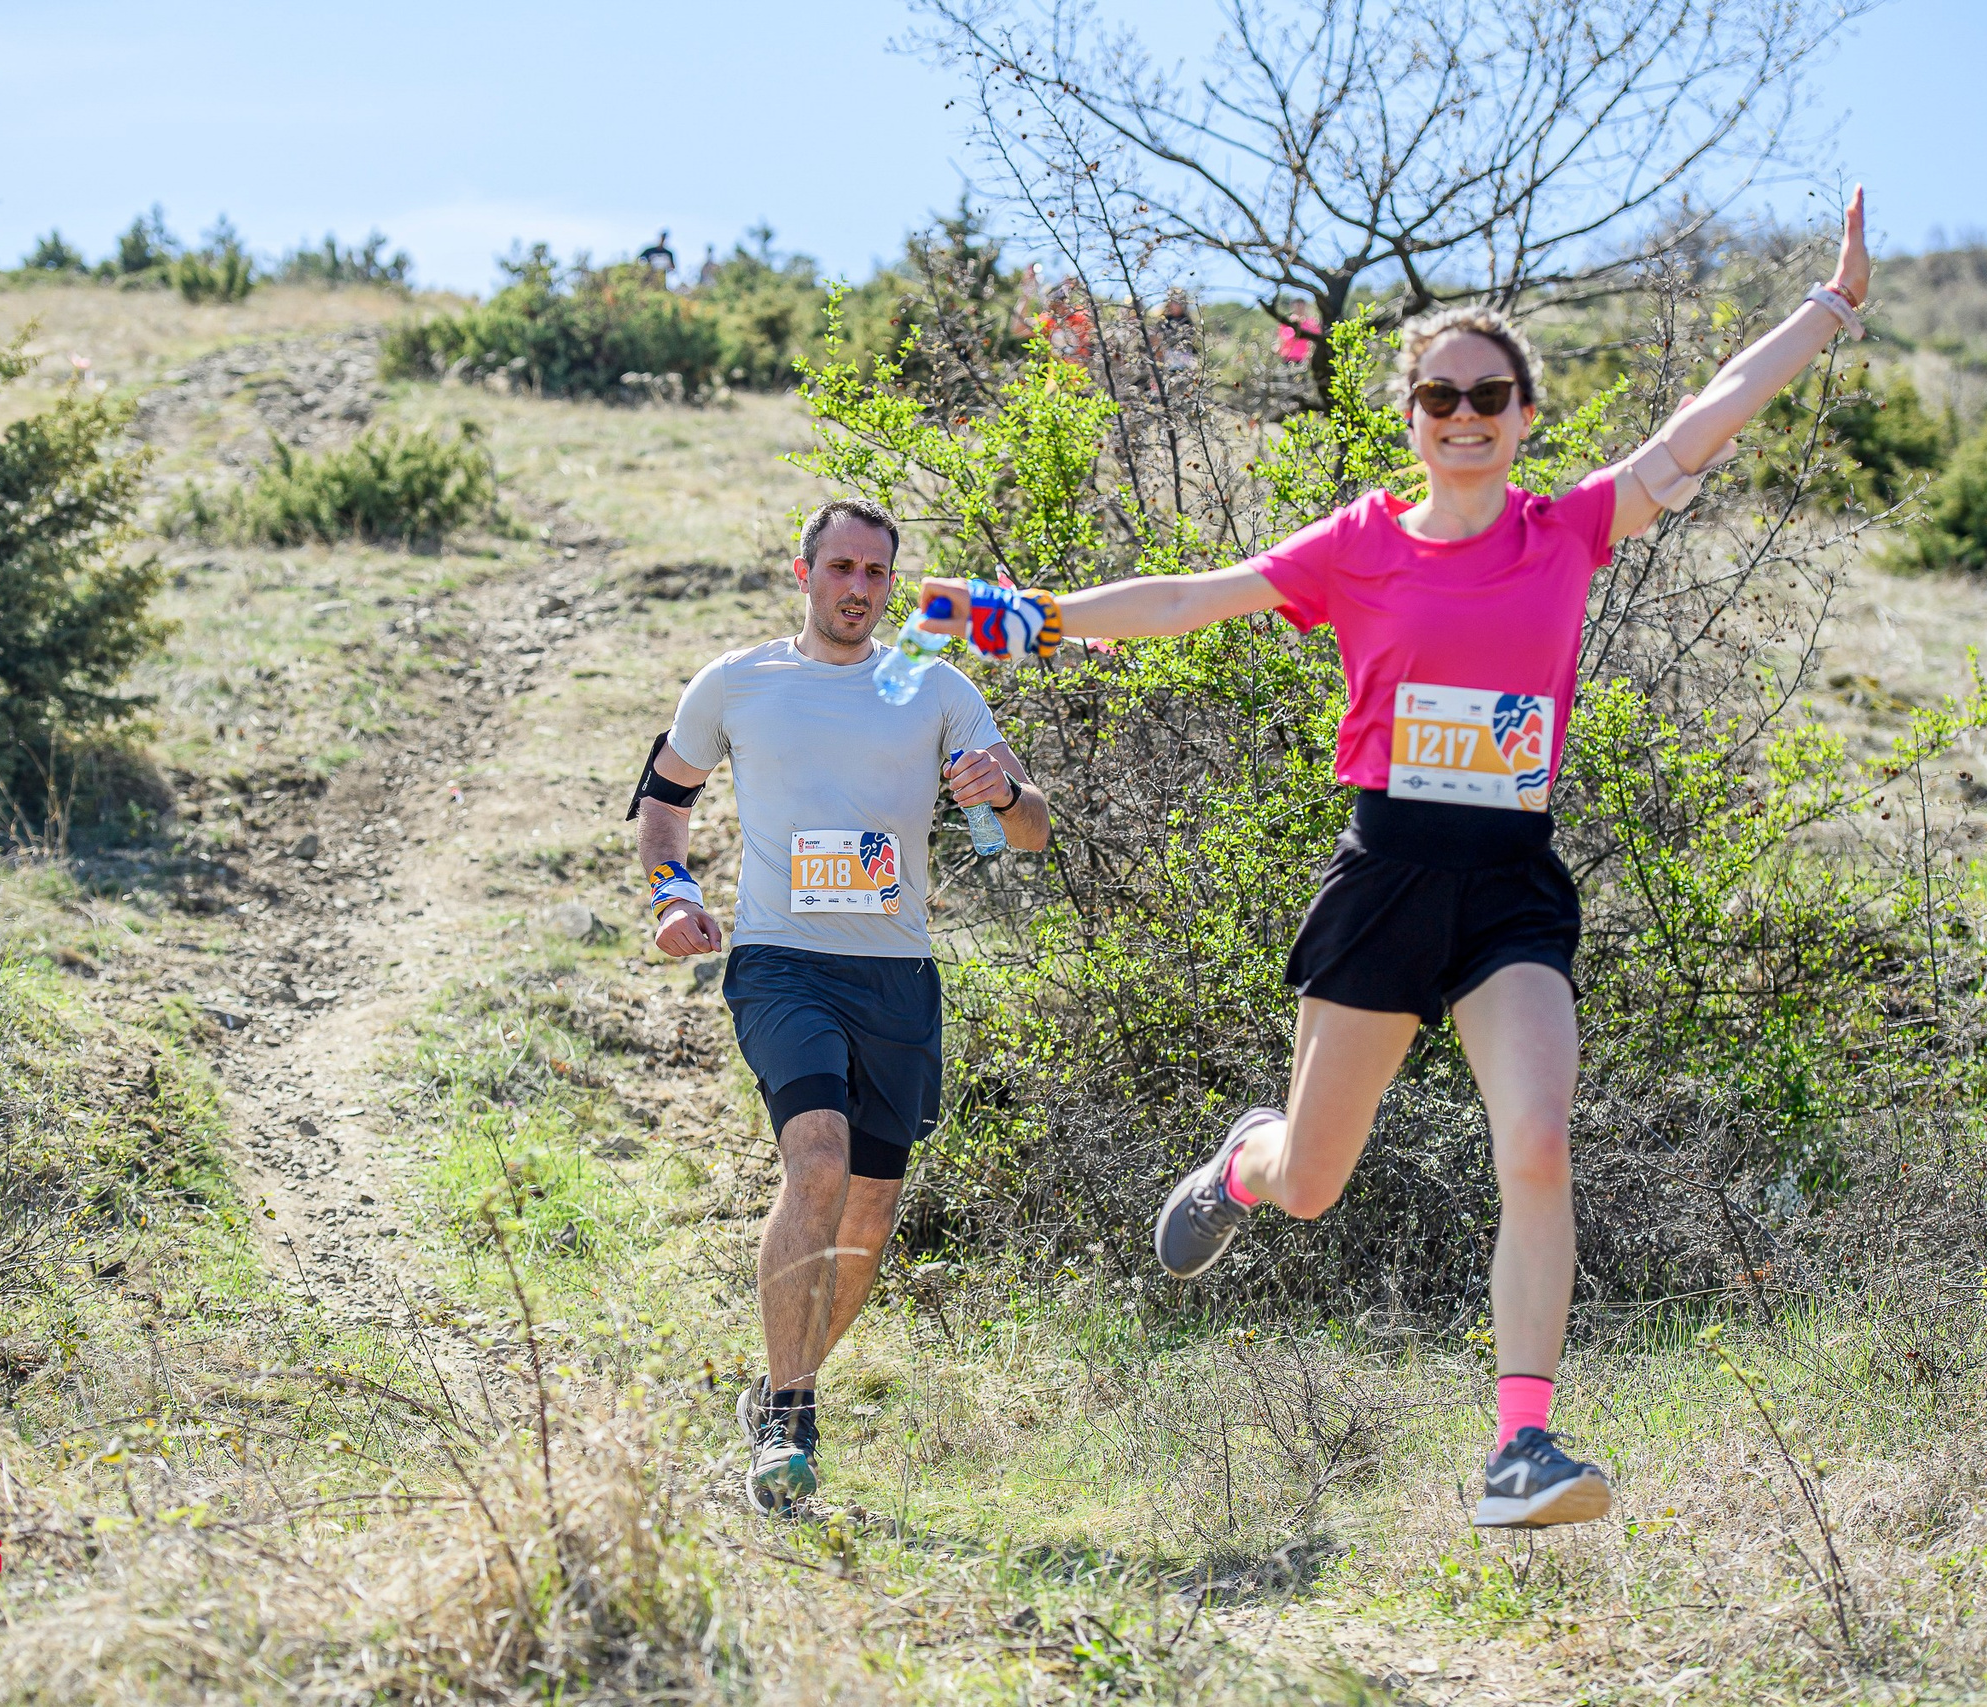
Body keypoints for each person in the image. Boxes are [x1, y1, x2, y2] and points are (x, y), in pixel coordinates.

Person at [915, 190, 1874, 1529]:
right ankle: (1248, 1155)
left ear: (1525, 414)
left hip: (1510, 886)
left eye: (1490, 391)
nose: (1464, 411)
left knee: (1537, 1144)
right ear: (1414, 412)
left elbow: (1704, 415)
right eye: (1438, 393)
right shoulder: (1360, 543)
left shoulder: (1569, 531)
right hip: (1388, 873)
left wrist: (1827, 309)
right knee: (1313, 1180)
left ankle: (1519, 1449)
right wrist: (1046, 617)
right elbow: (1201, 595)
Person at [631, 496, 1051, 1514]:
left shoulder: (928, 686)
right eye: (840, 568)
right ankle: (787, 1419)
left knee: (869, 1210)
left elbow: (1031, 832)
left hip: (895, 974)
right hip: (781, 962)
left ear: (890, 586)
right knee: (816, 1161)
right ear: (802, 571)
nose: (857, 589)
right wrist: (672, 889)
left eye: (875, 573)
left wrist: (1000, 794)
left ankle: (784, 1384)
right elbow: (663, 794)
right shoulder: (738, 682)